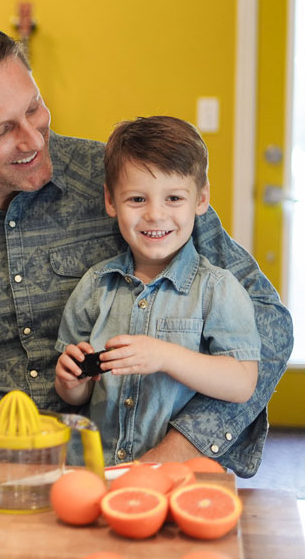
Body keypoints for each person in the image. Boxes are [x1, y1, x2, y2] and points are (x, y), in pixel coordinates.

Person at [0, 17, 291, 477]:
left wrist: (171, 457)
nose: (33, 139)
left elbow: (269, 326)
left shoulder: (132, 183)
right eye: (1, 131)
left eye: (35, 107)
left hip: (121, 476)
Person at [54, 116, 260, 466]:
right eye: (137, 199)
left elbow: (242, 382)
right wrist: (71, 379)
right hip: (96, 469)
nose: (155, 214)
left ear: (201, 198)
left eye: (174, 198)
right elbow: (76, 395)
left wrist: (166, 357)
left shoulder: (217, 290)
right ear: (110, 201)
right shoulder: (94, 286)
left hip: (177, 476)